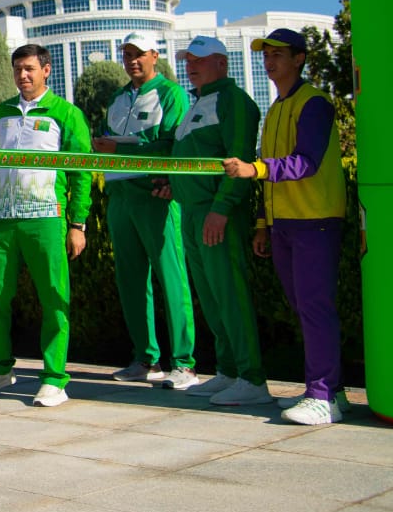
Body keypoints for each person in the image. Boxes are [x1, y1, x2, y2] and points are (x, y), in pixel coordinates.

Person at [0, 43, 92, 408]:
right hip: (1, 220)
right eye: (17, 69)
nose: (23, 75)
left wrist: (78, 224)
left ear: (47, 70)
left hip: (46, 218)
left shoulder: (66, 114)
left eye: (30, 68)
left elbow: (81, 173)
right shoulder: (2, 113)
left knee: (53, 296)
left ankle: (54, 378)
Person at [222, 29, 347, 424]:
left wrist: (254, 169)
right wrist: (263, 224)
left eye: (278, 54)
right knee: (303, 309)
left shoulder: (314, 104)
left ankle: (323, 395)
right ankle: (331, 391)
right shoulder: (276, 108)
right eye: (267, 54)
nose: (269, 61)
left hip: (316, 221)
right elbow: (274, 173)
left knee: (315, 309)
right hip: (285, 225)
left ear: (299, 59)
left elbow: (305, 162)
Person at [163, 35, 268, 406]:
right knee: (209, 296)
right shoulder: (196, 105)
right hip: (190, 214)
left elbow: (238, 158)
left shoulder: (234, 101)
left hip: (216, 214)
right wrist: (173, 186)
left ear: (222, 62)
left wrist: (221, 210)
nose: (191, 66)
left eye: (200, 59)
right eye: (187, 60)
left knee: (230, 294)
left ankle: (253, 378)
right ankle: (229, 371)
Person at [92, 32, 197, 390]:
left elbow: (171, 142)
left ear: (155, 55)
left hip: (155, 193)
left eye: (138, 53)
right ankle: (145, 358)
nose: (132, 60)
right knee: (131, 279)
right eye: (126, 54)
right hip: (120, 194)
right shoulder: (118, 97)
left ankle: (184, 363)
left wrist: (122, 147)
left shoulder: (171, 93)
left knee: (171, 277)